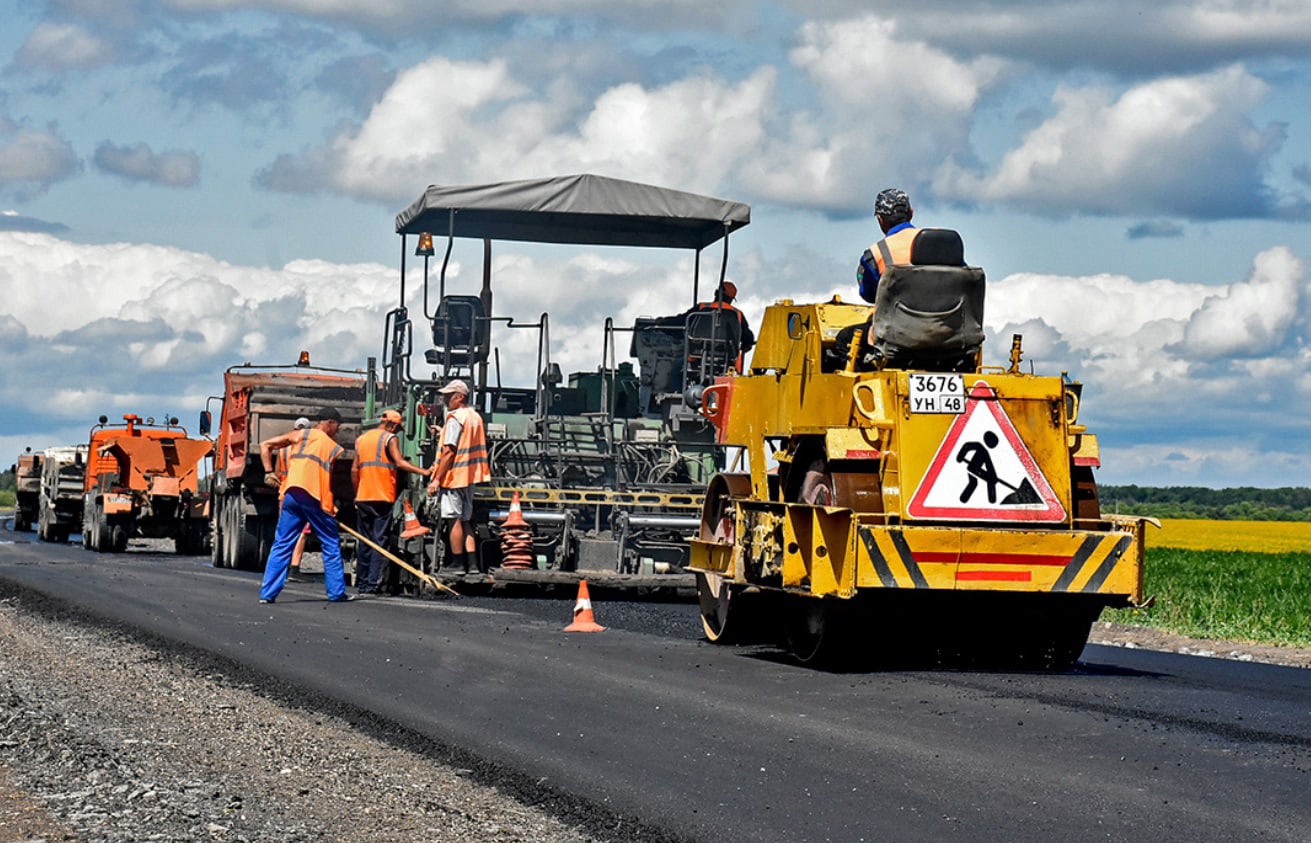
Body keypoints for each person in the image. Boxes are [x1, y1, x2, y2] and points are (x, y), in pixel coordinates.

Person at [256, 407, 352, 603]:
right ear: (329, 422)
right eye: (337, 426)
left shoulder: (299, 435)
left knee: (282, 543)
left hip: (291, 493)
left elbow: (265, 444)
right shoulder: (332, 446)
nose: (338, 430)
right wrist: (330, 508)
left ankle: (267, 594)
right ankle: (336, 593)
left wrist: (268, 472)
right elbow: (325, 480)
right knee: (330, 541)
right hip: (313, 496)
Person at [351, 409, 432, 594]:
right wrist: (424, 472)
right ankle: (373, 584)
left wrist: (357, 494)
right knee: (380, 540)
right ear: (394, 425)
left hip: (363, 496)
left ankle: (362, 583)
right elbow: (400, 462)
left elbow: (354, 470)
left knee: (365, 540)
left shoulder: (362, 439)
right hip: (382, 496)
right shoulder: (390, 438)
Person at [425, 380, 490, 574]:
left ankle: (457, 563)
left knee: (453, 519)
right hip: (470, 477)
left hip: (454, 477)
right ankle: (472, 565)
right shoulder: (475, 417)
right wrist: (443, 432)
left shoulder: (455, 418)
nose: (445, 400)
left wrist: (436, 478)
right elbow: (464, 442)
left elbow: (449, 452)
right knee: (465, 521)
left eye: (449, 395)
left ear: (460, 397)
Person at [857, 188, 918, 303]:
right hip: (946, 319)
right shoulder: (943, 242)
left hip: (899, 320)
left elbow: (869, 295)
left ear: (880, 220)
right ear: (911, 213)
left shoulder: (875, 254)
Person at [285, 418, 312, 582]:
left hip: (286, 494)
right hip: (304, 493)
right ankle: (294, 569)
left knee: (285, 532)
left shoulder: (284, 449)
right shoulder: (310, 449)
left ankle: (283, 567)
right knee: (302, 532)